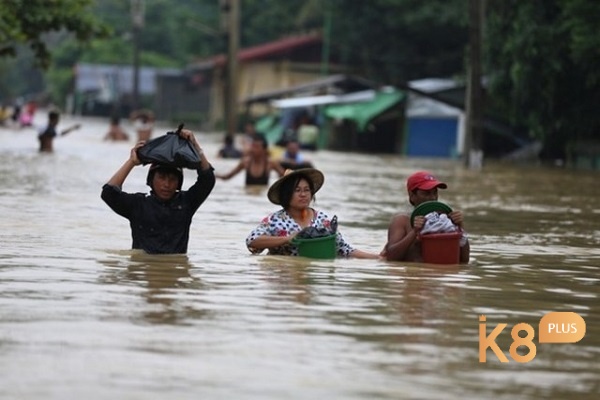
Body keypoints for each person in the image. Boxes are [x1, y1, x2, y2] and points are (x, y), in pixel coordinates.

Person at [100, 129, 215, 254]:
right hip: (143, 270)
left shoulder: (186, 202)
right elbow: (108, 193)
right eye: (161, 178)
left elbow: (207, 179)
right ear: (151, 180)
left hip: (175, 271)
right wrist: (131, 162)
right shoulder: (139, 204)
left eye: (172, 179)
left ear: (179, 183)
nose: (167, 184)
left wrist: (195, 145)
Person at [246, 168, 380, 259]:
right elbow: (251, 241)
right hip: (284, 275)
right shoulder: (275, 220)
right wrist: (286, 239)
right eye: (297, 190)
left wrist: (377, 258)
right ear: (287, 195)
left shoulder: (322, 219)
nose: (303, 194)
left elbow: (344, 249)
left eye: (307, 190)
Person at [384, 171, 470, 263]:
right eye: (426, 193)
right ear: (412, 196)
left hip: (439, 275)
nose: (432, 198)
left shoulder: (445, 220)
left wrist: (460, 227)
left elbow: (464, 260)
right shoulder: (402, 221)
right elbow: (391, 257)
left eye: (434, 193)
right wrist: (414, 232)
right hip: (415, 275)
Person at [216, 134, 285, 185]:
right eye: (253, 146)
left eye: (257, 147)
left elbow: (285, 177)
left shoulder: (271, 163)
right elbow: (227, 177)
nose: (253, 149)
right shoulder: (245, 162)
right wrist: (214, 176)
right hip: (248, 196)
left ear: (264, 150)